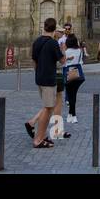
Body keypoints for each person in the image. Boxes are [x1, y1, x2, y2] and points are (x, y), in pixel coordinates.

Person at [28, 17, 63, 148]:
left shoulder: (36, 41)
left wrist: (38, 73)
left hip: (40, 78)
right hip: (49, 79)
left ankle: (40, 135)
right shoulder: (53, 43)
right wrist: (63, 48)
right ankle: (38, 139)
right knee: (48, 109)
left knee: (47, 107)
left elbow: (34, 62)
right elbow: (63, 61)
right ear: (54, 30)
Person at [63, 33, 86, 123]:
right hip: (78, 74)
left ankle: (74, 116)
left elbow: (64, 63)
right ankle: (70, 115)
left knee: (70, 95)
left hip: (69, 74)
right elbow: (81, 62)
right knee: (73, 95)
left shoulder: (66, 52)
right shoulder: (79, 51)